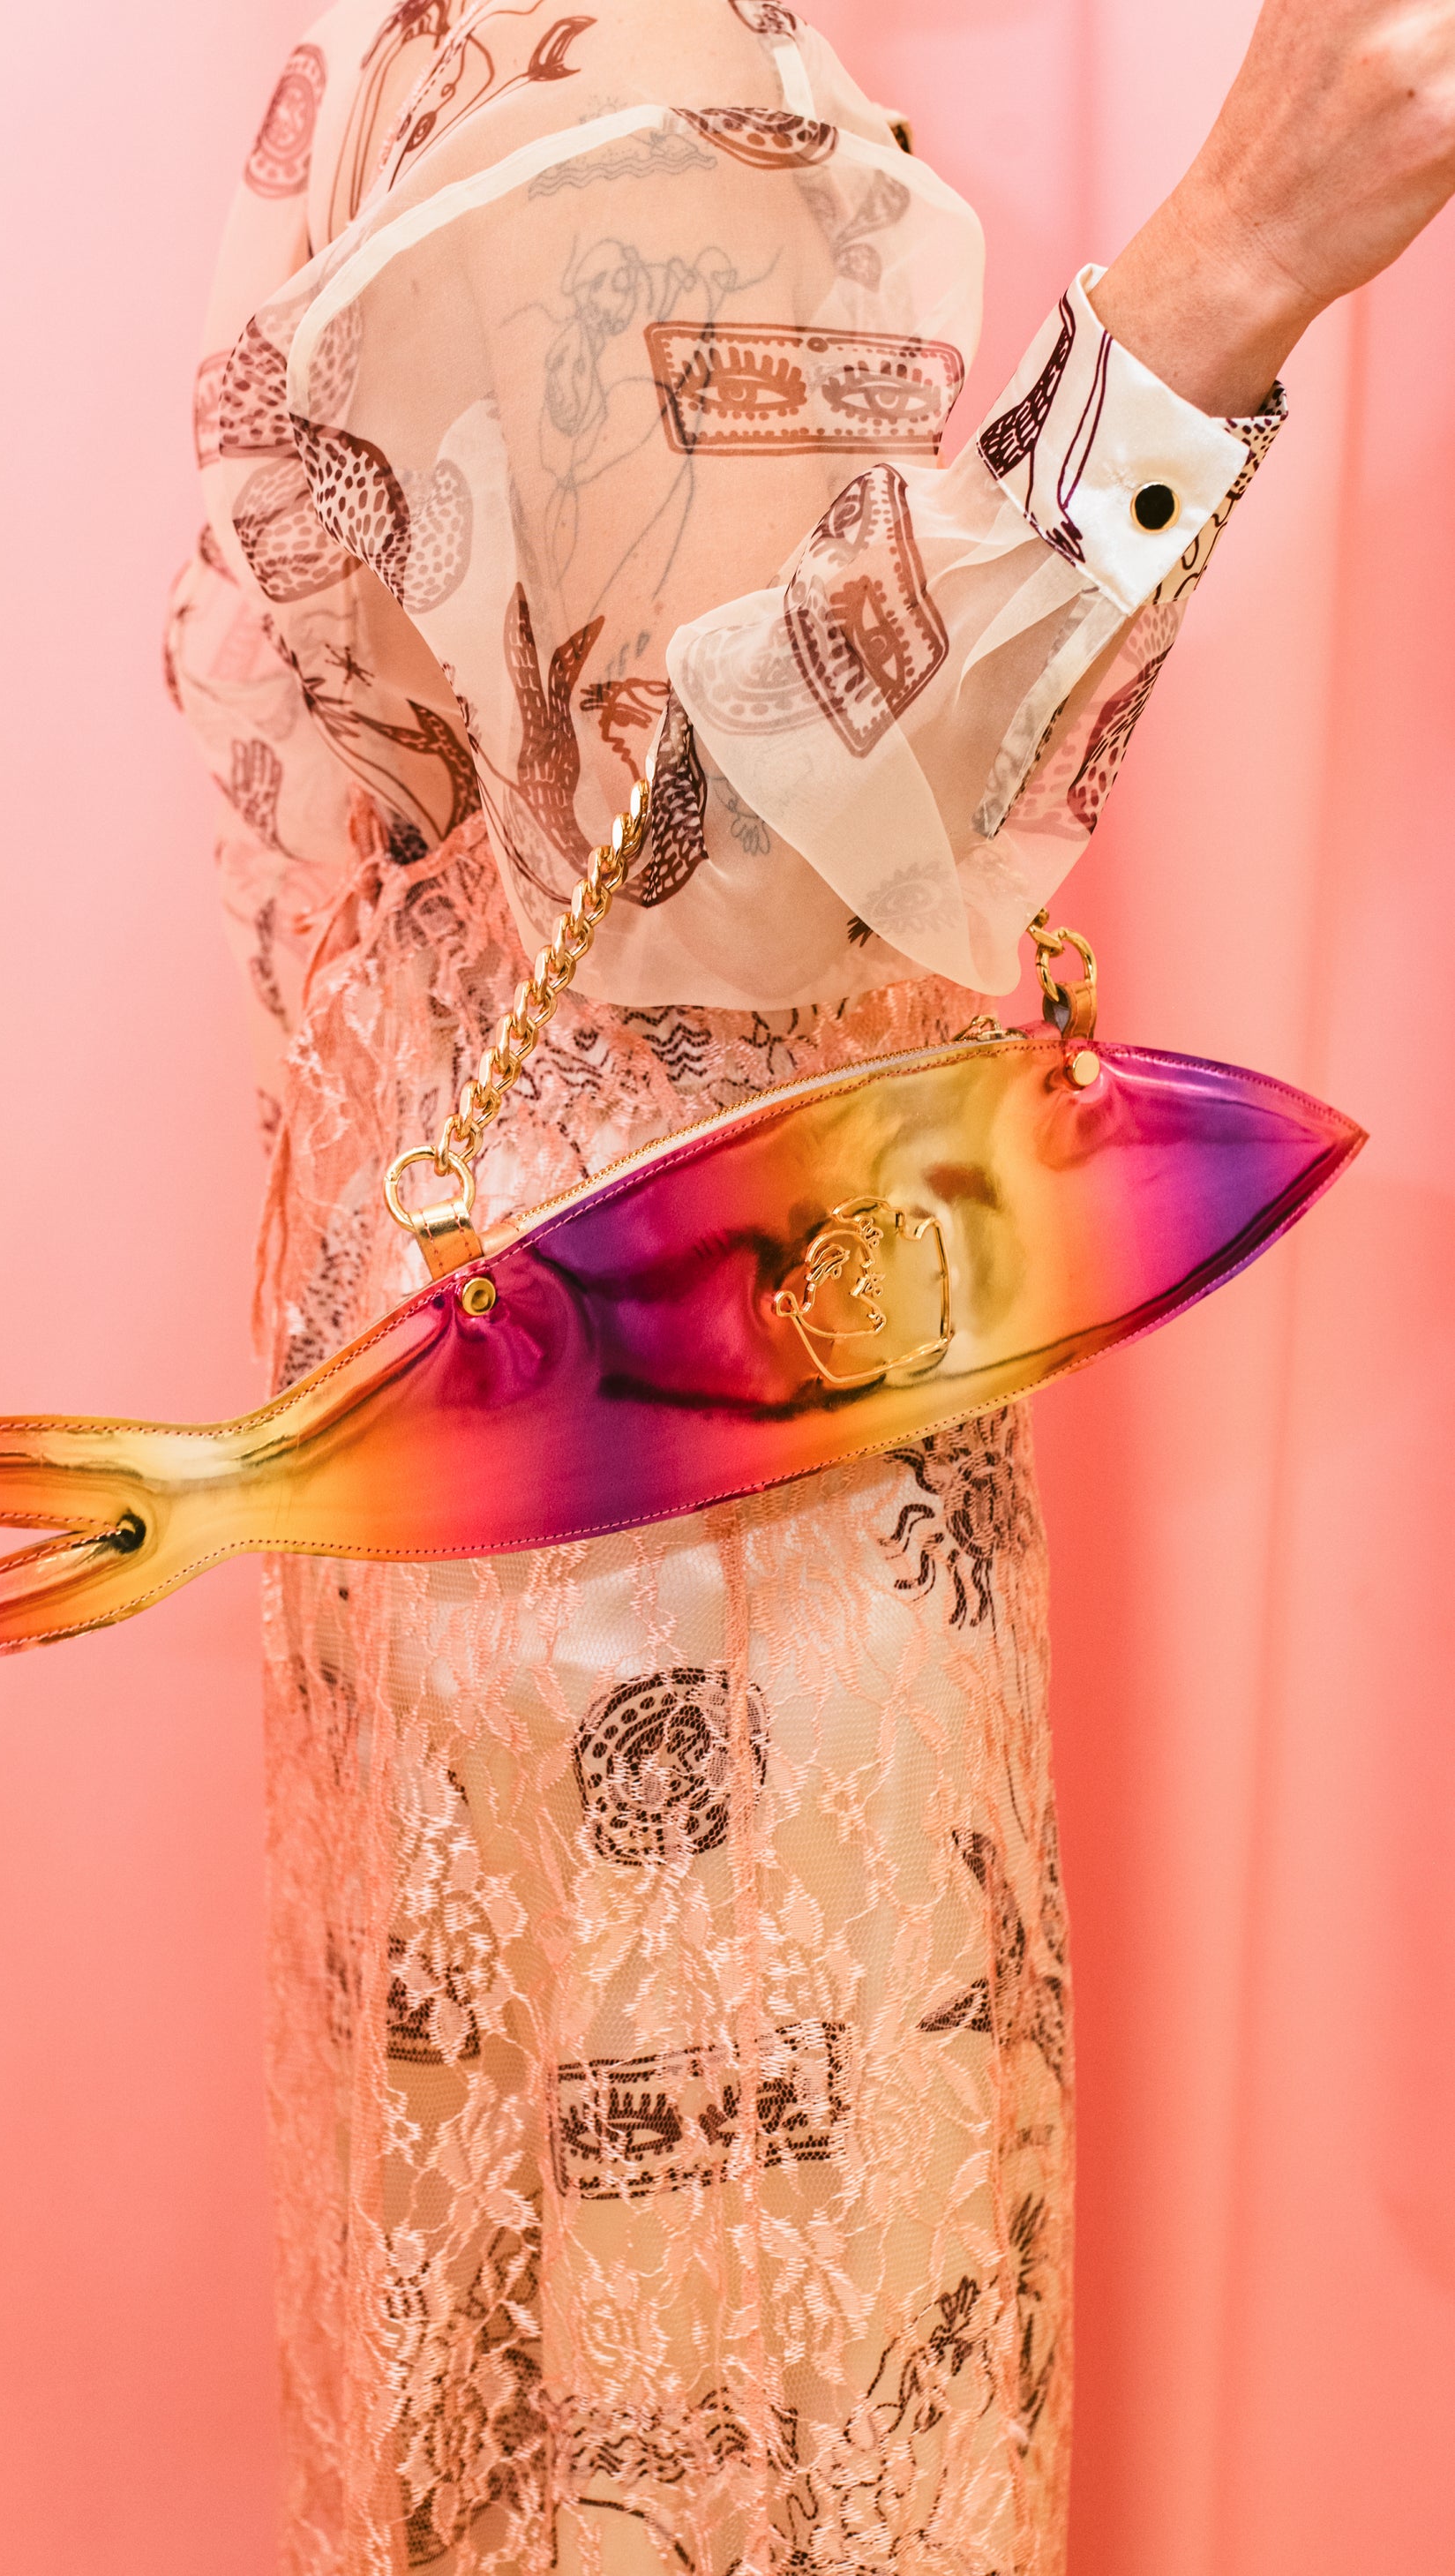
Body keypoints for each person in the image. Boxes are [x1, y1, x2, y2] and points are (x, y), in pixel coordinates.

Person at [165, 4, 1455, 2567]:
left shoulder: (419, 50)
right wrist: (1224, 270)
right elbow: (717, 887)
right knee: (752, 2420)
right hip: (693, 1479)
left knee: (513, 2403)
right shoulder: (638, 77)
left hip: (470, 1410)